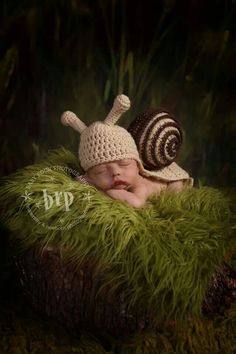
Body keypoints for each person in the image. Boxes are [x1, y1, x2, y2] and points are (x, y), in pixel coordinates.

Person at [61, 94, 193, 208]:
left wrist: (109, 192)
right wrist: (85, 180)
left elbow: (137, 203)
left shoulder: (139, 184)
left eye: (124, 164)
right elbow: (84, 180)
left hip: (172, 181)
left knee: (175, 194)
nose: (115, 173)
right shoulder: (94, 176)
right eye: (100, 171)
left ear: (138, 165)